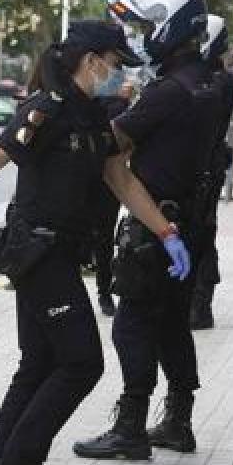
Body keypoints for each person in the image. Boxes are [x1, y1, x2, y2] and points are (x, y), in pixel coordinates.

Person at [0, 21, 192, 465]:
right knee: (81, 363)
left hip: (62, 251)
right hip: (38, 251)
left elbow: (120, 177)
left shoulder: (95, 114)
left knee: (37, 366)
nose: (118, 74)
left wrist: (165, 231)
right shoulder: (47, 108)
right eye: (114, 63)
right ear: (91, 59)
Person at [75, 0, 220, 463]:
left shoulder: (167, 93)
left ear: (168, 25)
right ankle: (179, 421)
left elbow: (111, 143)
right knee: (173, 324)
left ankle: (131, 426)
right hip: (192, 225)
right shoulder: (210, 82)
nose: (138, 38)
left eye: (144, 26)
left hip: (156, 225)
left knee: (132, 325)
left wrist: (84, 111)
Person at [189, 16, 233, 331]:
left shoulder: (219, 81)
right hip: (206, 164)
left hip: (207, 167)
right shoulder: (216, 78)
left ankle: (199, 304)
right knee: (199, 232)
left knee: (202, 233)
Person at [88, 78, 135, 318]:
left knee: (97, 237)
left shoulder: (84, 105)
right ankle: (104, 292)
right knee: (104, 238)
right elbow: (128, 146)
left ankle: (103, 291)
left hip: (87, 180)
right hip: (107, 183)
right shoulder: (121, 107)